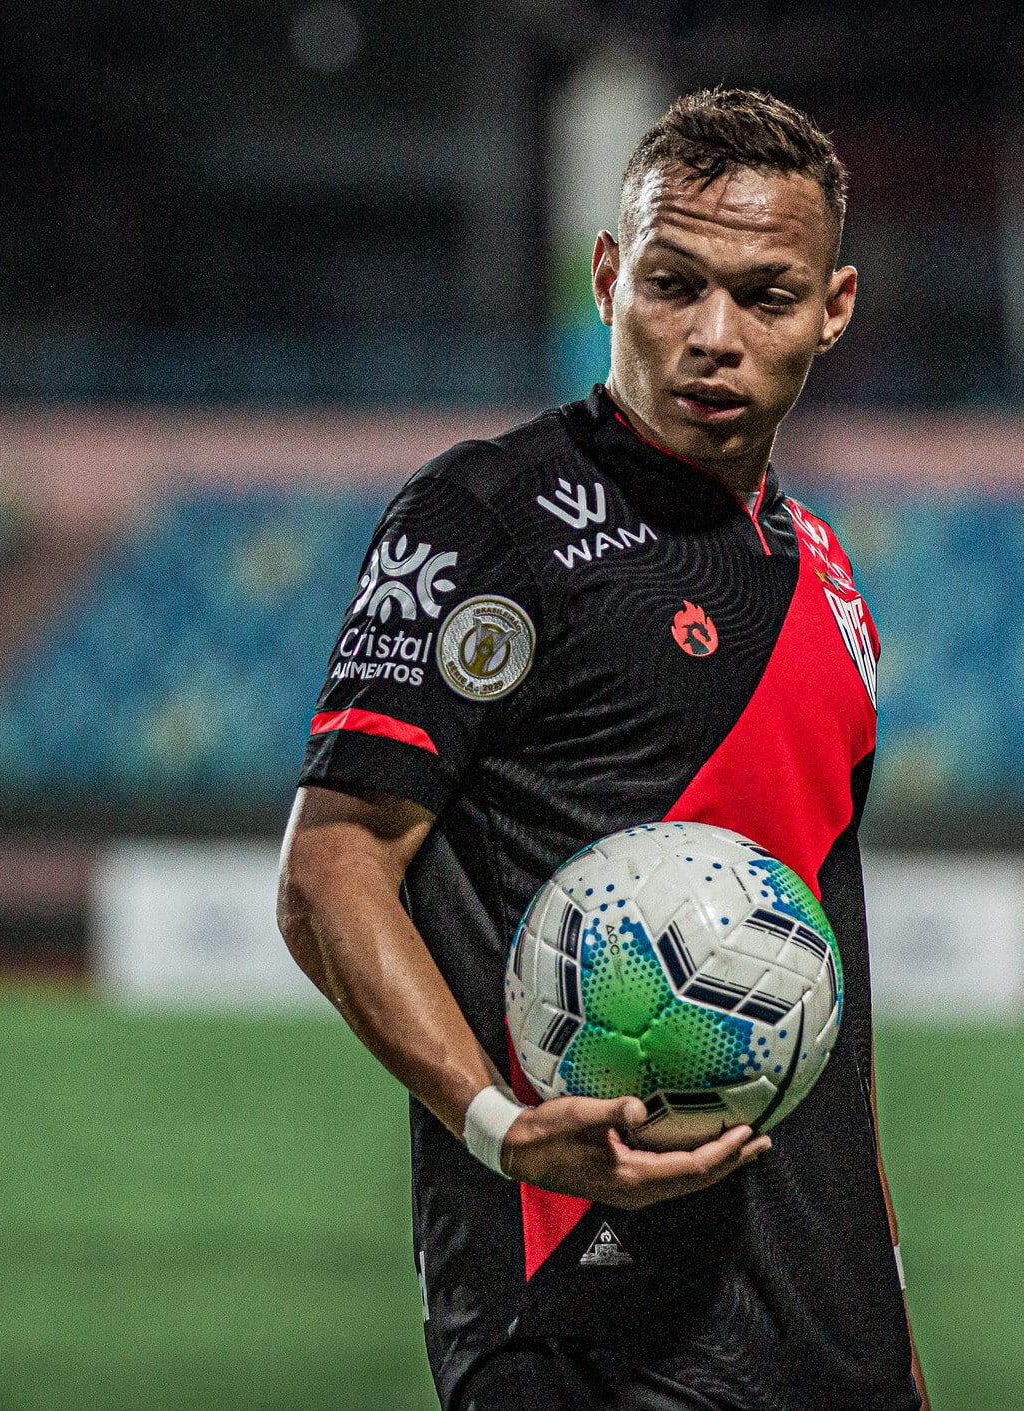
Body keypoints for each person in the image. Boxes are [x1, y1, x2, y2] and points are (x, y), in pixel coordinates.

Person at [276, 90, 925, 1411]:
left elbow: (821, 999)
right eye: (675, 283)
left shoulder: (832, 582)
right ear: (608, 273)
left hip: (826, 1341)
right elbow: (331, 869)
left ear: (836, 307)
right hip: (575, 1320)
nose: (713, 336)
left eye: (767, 295)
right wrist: (499, 1123)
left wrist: (890, 1329)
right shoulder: (482, 521)